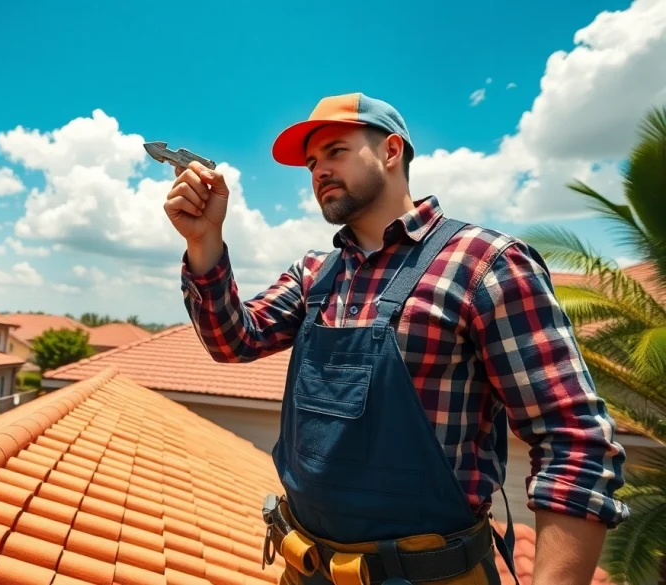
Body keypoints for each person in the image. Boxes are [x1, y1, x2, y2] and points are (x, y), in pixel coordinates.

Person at [164, 92, 629, 585]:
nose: (319, 170)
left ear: (390, 151)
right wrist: (203, 240)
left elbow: (572, 439)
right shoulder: (314, 274)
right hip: (305, 570)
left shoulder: (484, 264)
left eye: (336, 151)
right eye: (311, 163)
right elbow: (234, 340)